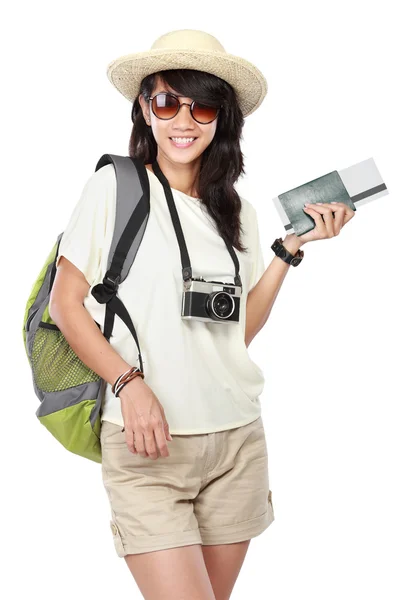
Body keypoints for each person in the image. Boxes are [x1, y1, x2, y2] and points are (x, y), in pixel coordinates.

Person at [49, 28, 355, 600]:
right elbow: (66, 306)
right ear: (144, 109)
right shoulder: (115, 186)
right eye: (166, 102)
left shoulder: (234, 210)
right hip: (148, 442)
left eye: (203, 105)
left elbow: (236, 331)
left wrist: (290, 250)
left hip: (236, 437)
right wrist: (128, 383)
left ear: (223, 118)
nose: (183, 120)